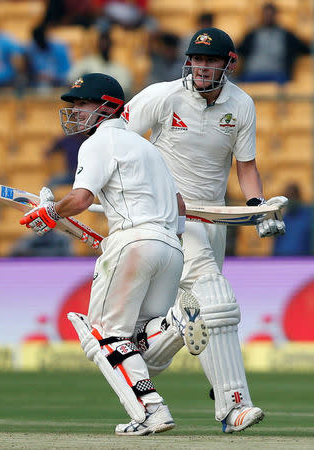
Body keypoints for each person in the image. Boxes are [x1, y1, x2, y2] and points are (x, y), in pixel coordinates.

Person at [19, 72, 208, 435]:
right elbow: (179, 206)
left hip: (135, 241)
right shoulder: (147, 147)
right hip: (170, 246)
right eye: (73, 105)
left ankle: (151, 410)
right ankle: (173, 326)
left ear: (108, 107)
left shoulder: (98, 142)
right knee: (137, 341)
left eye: (82, 104)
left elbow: (81, 198)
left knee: (103, 335)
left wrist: (50, 212)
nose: (75, 111)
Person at [121, 27, 288, 433]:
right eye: (196, 59)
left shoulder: (241, 105)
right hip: (168, 218)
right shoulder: (163, 96)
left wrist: (258, 208)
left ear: (228, 64)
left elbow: (245, 167)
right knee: (216, 301)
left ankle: (159, 347)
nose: (201, 67)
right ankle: (235, 406)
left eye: (211, 60)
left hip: (213, 222)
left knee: (201, 311)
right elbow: (117, 142)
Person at [237, 2, 310, 84]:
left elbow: (304, 48)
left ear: (275, 16)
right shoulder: (252, 34)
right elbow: (239, 49)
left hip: (277, 74)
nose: (268, 17)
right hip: (253, 73)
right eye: (266, 15)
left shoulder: (287, 35)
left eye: (271, 15)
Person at [68, 32, 133, 98]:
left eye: (107, 43)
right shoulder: (86, 63)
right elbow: (71, 79)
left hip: (110, 102)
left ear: (111, 45)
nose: (104, 45)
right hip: (88, 99)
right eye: (102, 43)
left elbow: (125, 88)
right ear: (97, 45)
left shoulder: (120, 68)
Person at [273, 183, 313, 256]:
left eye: (293, 196)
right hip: (280, 259)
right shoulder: (279, 215)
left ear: (298, 197)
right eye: (287, 197)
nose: (290, 200)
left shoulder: (309, 213)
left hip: (304, 260)